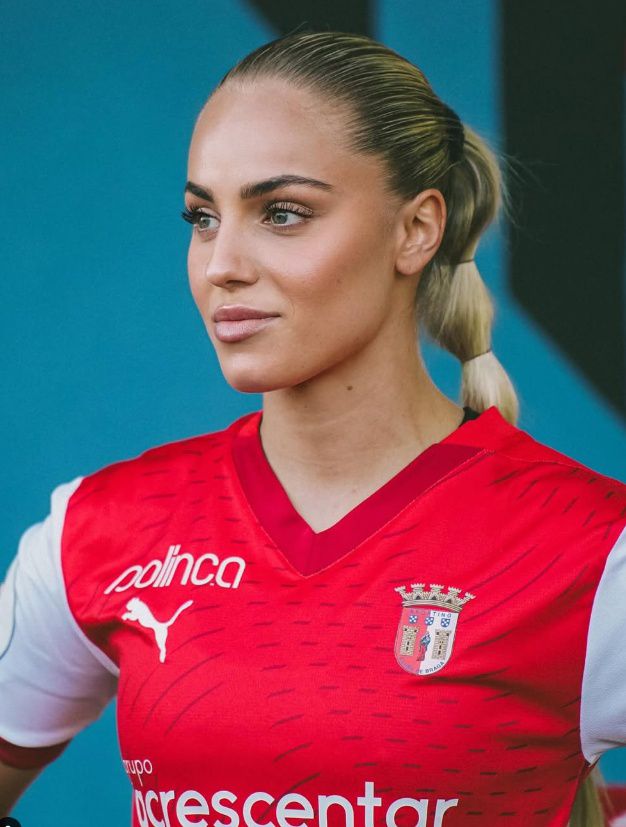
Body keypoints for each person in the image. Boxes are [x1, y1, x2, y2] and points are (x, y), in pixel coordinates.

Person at [0, 29, 624, 827]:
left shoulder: (592, 548)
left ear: (416, 230)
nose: (221, 263)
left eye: (283, 213)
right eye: (202, 217)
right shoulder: (102, 528)